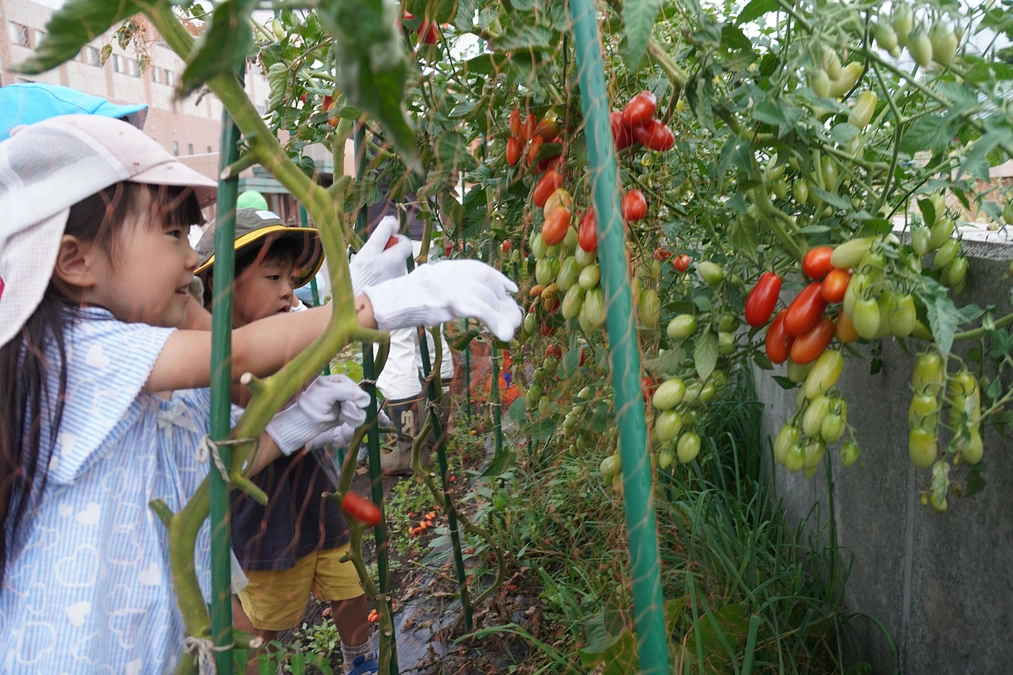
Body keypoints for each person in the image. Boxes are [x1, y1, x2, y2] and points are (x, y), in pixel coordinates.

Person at [0, 114, 522, 673]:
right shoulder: (66, 352)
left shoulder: (158, 364)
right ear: (76, 262)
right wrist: (368, 307)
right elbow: (239, 354)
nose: (187, 259)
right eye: (172, 234)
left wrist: (293, 427)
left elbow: (227, 454)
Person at [194, 210, 402, 674]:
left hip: (316, 492)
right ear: (221, 288)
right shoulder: (214, 355)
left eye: (290, 277)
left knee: (350, 585)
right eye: (273, 277)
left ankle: (361, 662)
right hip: (262, 514)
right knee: (266, 620)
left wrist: (330, 425)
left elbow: (302, 394)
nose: (289, 289)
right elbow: (262, 399)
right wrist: (343, 315)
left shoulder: (290, 333)